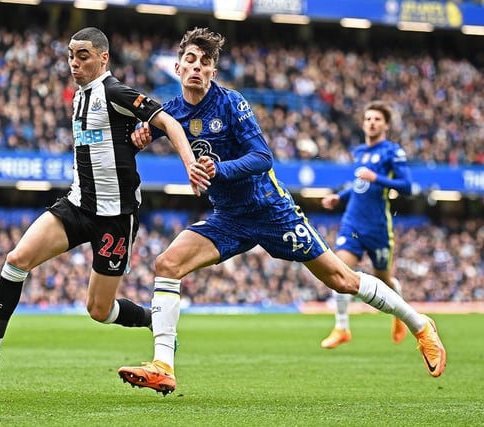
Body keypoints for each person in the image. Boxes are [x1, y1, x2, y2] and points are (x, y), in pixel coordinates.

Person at [117, 28, 446, 396]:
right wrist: (140, 138)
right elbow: (144, 132)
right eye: (190, 61)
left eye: (205, 62)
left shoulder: (231, 103)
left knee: (342, 280)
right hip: (228, 218)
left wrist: (218, 169)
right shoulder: (173, 111)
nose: (197, 67)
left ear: (213, 71)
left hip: (272, 211)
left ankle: (420, 325)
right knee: (167, 264)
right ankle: (163, 365)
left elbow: (263, 157)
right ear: (177, 68)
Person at [0, 27, 209, 377]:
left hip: (116, 217)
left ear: (103, 58)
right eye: (71, 55)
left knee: (99, 310)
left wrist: (190, 164)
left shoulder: (115, 91)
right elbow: (115, 143)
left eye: (83, 55)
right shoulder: (78, 96)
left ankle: (153, 320)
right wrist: (131, 142)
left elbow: (168, 122)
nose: (74, 62)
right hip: (77, 205)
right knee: (16, 259)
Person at [320, 101, 412, 349]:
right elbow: (359, 186)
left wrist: (378, 178)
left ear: (386, 125)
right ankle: (342, 327)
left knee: (386, 280)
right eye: (368, 119)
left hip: (378, 227)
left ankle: (400, 315)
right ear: (363, 124)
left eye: (377, 119)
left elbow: (408, 186)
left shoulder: (392, 152)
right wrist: (339, 197)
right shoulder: (359, 151)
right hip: (352, 223)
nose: (371, 122)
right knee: (337, 270)